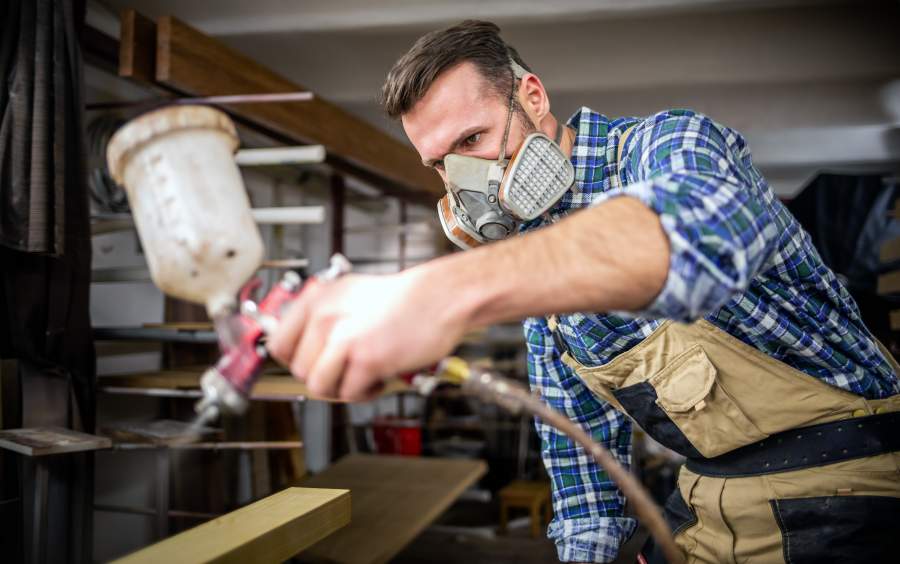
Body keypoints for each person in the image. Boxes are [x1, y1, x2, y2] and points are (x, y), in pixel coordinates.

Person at [268, 20, 900, 563]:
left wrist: (438, 291)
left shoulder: (667, 143)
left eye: (473, 141)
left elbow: (706, 232)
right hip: (712, 501)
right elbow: (585, 478)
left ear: (533, 96)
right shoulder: (545, 299)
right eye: (441, 164)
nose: (467, 181)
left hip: (858, 483)